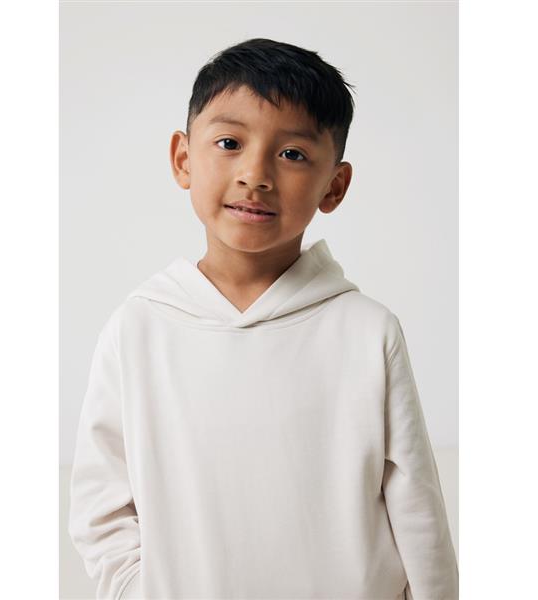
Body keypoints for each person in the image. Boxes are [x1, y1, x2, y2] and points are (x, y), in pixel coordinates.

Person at [68, 38, 459, 600]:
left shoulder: (367, 332)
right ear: (183, 158)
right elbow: (100, 505)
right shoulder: (138, 329)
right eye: (229, 143)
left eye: (293, 154)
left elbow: (417, 507)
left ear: (335, 186)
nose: (255, 174)